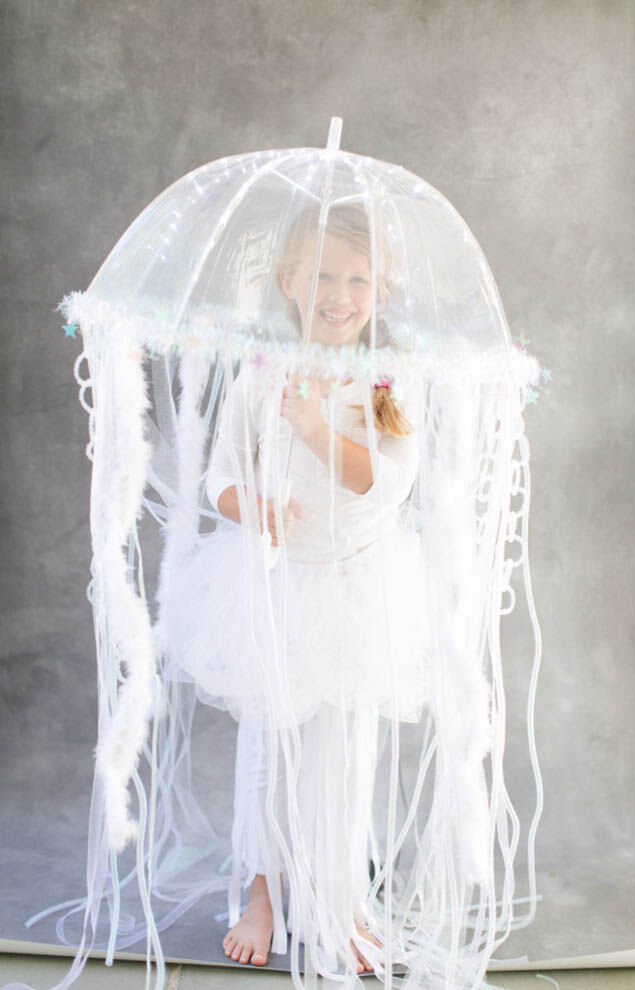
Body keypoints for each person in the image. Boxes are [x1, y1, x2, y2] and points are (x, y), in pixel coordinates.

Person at [166, 203, 430, 977]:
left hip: (356, 586)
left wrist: (316, 425)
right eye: (321, 274)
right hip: (278, 580)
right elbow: (220, 472)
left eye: (358, 278)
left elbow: (383, 486)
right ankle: (262, 893)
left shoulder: (390, 379)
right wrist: (253, 508)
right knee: (268, 750)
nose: (339, 293)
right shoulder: (260, 370)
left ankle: (343, 901)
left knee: (345, 751)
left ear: (379, 290)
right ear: (289, 281)